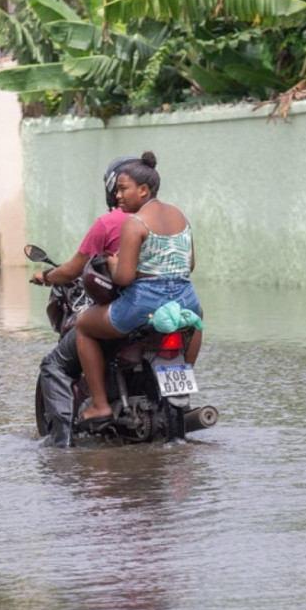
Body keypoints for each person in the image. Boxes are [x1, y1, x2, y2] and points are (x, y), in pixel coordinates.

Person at [74, 151, 202, 427]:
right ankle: (182, 380)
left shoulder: (135, 223)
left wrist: (112, 261)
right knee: (196, 324)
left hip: (143, 304)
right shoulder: (180, 216)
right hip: (186, 299)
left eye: (123, 189)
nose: (118, 196)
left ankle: (99, 405)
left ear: (143, 190)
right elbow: (189, 264)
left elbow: (123, 278)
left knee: (83, 325)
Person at [34, 155, 138, 447]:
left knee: (54, 363)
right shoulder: (162, 221)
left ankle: (60, 443)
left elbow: (73, 269)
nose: (118, 194)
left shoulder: (109, 222)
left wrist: (46, 275)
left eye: (120, 188)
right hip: (163, 310)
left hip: (124, 311)